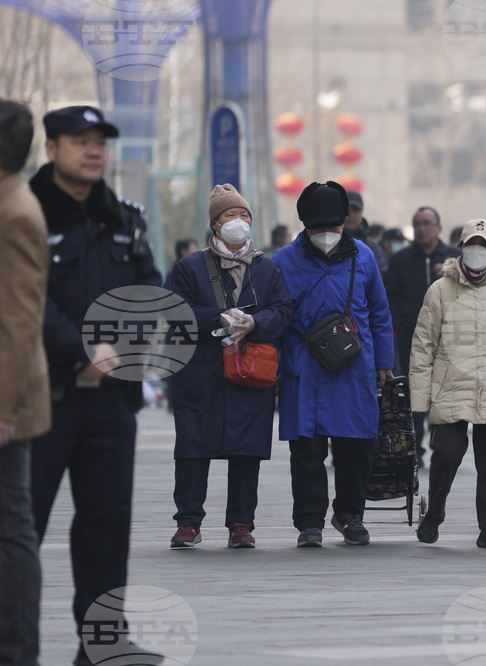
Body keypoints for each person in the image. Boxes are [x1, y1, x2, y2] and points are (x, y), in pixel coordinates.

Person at [28, 105, 163, 666]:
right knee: (19, 527)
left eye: (100, 141)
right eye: (79, 140)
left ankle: (104, 646)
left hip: (111, 401)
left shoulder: (124, 219)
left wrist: (117, 349)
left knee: (106, 527)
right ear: (51, 147)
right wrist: (81, 349)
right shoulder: (24, 212)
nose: (92, 150)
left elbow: (148, 287)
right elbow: (22, 298)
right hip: (40, 398)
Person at [165, 184, 291, 549]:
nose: (239, 222)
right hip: (199, 371)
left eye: (245, 216)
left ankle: (241, 523)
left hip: (250, 372)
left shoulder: (267, 269)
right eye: (230, 216)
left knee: (246, 448)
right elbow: (174, 312)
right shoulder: (189, 267)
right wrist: (217, 317)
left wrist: (255, 323)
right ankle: (188, 522)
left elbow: (283, 311)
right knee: (192, 446)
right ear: (215, 225)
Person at [274, 181, 394, 548]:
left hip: (354, 365)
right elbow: (275, 317)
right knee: (306, 448)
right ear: (304, 225)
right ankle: (309, 521)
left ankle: (349, 515)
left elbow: (379, 311)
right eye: (318, 229)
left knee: (356, 444)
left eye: (333, 228)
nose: (326, 235)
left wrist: (384, 362)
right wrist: (276, 367)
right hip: (302, 366)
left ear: (345, 223)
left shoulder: (364, 256)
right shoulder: (281, 261)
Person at [411, 218, 486, 549]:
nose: (477, 252)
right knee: (446, 453)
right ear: (461, 249)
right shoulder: (440, 290)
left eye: (484, 246)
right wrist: (419, 402)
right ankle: (434, 512)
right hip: (451, 387)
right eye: (471, 245)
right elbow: (422, 347)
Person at [0, 99, 49, 666]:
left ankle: (16, 648)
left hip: (8, 401)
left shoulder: (15, 212)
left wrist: (6, 404)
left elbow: (16, 320)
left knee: (12, 527)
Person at [384, 206, 460, 464]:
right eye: (417, 224)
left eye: (427, 223)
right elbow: (390, 298)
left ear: (439, 228)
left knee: (443, 397)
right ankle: (414, 451)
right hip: (410, 340)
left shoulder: (453, 258)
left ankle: (443, 450)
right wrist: (397, 327)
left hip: (448, 341)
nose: (422, 228)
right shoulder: (402, 259)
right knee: (412, 395)